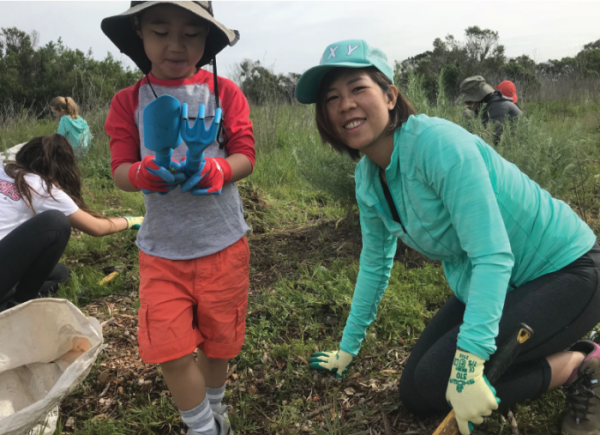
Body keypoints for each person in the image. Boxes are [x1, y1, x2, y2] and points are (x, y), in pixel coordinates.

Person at [296, 39, 600, 435]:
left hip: (567, 272)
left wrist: (470, 360)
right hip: (497, 286)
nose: (345, 104)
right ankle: (548, 350)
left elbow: (492, 254)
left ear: (389, 96)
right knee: (418, 390)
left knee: (447, 380)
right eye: (331, 98)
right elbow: (374, 263)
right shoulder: (368, 179)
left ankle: (580, 367)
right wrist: (348, 348)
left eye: (357, 88)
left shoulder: (439, 145)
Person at [101, 1, 255, 434]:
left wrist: (220, 170)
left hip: (224, 245)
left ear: (206, 38)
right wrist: (139, 174)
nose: (175, 44)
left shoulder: (225, 93)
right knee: (167, 350)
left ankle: (215, 408)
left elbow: (245, 153)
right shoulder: (126, 101)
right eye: (161, 30)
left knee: (218, 344)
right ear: (139, 31)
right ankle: (203, 428)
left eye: (191, 33)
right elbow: (119, 169)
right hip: (162, 251)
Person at [0, 134, 143, 312]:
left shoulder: (3, 169)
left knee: (59, 274)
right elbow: (98, 227)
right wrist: (131, 221)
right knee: (56, 223)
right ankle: (19, 306)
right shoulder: (43, 188)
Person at [459, 76, 523, 144]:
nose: (466, 106)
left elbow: (494, 138)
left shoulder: (498, 106)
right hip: (511, 143)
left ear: (479, 98)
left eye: (469, 102)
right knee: (467, 114)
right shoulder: (488, 105)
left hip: (521, 144)